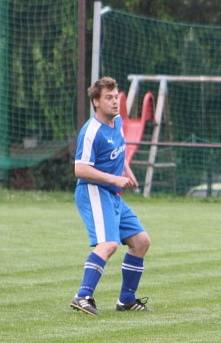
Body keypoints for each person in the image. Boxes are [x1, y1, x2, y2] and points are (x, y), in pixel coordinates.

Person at [70, 76, 151, 315]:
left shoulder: (117, 122)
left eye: (116, 97)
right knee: (109, 244)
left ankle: (126, 300)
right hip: (92, 190)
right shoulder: (90, 131)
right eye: (108, 98)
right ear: (95, 101)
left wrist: (127, 171)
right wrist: (115, 179)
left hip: (112, 193)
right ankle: (82, 296)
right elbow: (80, 169)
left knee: (141, 242)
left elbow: (119, 153)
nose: (115, 102)